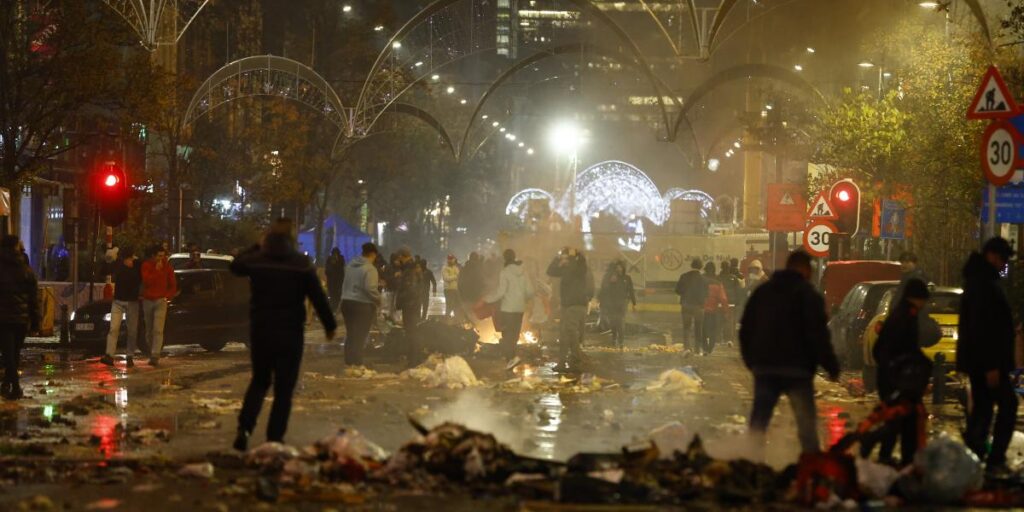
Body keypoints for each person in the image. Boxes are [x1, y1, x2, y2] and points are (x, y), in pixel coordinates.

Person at [230, 220, 336, 451]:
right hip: (290, 332)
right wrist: (329, 325)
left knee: (259, 381)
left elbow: (235, 265)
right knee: (284, 388)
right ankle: (274, 438)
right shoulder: (300, 264)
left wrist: (255, 247)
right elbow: (317, 295)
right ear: (292, 238)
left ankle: (244, 429)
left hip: (261, 329)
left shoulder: (258, 260)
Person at [740, 251, 840, 459]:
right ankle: (810, 471)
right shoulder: (809, 296)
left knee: (759, 422)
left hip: (766, 368)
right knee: (806, 426)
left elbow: (746, 329)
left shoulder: (763, 292)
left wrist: (752, 361)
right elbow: (818, 334)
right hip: (798, 370)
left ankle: (750, 466)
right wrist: (831, 365)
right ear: (805, 269)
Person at [958, 237, 1019, 475]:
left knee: (983, 408)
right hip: (987, 363)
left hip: (983, 362)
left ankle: (975, 455)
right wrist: (992, 366)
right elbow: (983, 328)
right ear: (992, 256)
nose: (1004, 263)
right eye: (1003, 258)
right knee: (1007, 404)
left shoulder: (980, 280)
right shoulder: (983, 284)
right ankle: (992, 457)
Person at [866, 278, 934, 466]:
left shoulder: (899, 314)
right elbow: (906, 349)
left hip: (891, 376)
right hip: (896, 379)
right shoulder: (906, 317)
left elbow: (879, 349)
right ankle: (887, 450)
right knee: (901, 420)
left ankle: (890, 456)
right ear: (916, 298)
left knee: (897, 419)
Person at [0, 236, 39, 400]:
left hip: (3, 319)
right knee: (14, 353)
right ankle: (12, 384)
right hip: (21, 320)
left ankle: (11, 384)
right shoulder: (26, 269)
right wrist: (35, 321)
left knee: (8, 354)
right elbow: (33, 298)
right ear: (16, 247)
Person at [485, 249, 535, 370]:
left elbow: (501, 292)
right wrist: (523, 299)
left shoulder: (505, 272)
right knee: (515, 334)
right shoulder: (524, 272)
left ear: (505, 258)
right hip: (519, 309)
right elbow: (530, 291)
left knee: (507, 335)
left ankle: (511, 359)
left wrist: (488, 299)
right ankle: (512, 359)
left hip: (507, 309)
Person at [546, 247, 591, 372]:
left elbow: (578, 266)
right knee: (564, 334)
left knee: (570, 331)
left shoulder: (579, 267)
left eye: (567, 258)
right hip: (567, 305)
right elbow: (550, 271)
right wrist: (557, 258)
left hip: (576, 305)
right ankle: (563, 362)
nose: (565, 260)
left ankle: (576, 358)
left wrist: (573, 256)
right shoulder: (566, 268)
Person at [341, 243, 381, 366]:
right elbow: (370, 288)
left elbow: (345, 284)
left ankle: (349, 362)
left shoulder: (350, 266)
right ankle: (357, 363)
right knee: (360, 335)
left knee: (351, 333)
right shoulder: (370, 268)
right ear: (373, 254)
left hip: (346, 303)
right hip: (362, 305)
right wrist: (378, 299)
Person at [101, 248, 142, 368]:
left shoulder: (137, 266)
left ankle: (130, 355)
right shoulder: (118, 266)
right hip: (118, 301)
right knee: (114, 328)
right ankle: (109, 355)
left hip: (132, 302)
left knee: (132, 330)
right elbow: (104, 270)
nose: (129, 261)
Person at [141, 245, 177, 366]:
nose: (161, 258)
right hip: (148, 300)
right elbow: (146, 281)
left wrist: (167, 296)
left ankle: (155, 354)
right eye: (159, 256)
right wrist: (156, 271)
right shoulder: (147, 266)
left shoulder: (167, 267)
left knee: (158, 329)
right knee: (149, 330)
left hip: (161, 300)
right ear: (153, 256)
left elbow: (173, 284)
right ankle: (152, 351)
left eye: (163, 256)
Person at [394, 248, 424, 365]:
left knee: (411, 333)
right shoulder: (411, 268)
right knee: (412, 332)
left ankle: (414, 360)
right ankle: (414, 359)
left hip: (410, 305)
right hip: (412, 304)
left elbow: (411, 289)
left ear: (402, 256)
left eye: (399, 258)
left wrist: (400, 301)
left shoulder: (410, 269)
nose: (398, 260)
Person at [598, 260, 636, 350]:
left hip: (622, 303)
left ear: (623, 268)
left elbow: (631, 290)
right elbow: (604, 290)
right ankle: (614, 337)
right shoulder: (611, 278)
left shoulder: (627, 278)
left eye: (621, 267)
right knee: (613, 322)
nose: (619, 269)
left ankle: (621, 341)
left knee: (621, 322)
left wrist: (634, 303)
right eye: (617, 267)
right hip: (612, 304)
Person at [675, 259, 708, 352]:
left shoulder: (684, 276)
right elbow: (707, 294)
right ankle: (697, 349)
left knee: (686, 327)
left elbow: (677, 290)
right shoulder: (704, 279)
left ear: (691, 265)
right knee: (698, 327)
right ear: (701, 267)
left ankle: (687, 348)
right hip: (699, 306)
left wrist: (685, 293)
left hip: (686, 305)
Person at [702, 261, 729, 356]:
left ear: (705, 269)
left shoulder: (701, 280)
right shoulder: (717, 282)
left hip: (702, 309)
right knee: (713, 329)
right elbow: (723, 298)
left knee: (703, 329)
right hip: (713, 310)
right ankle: (710, 348)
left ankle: (704, 348)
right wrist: (726, 311)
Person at [719, 260, 744, 344]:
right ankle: (729, 339)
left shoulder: (718, 277)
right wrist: (738, 302)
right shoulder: (734, 278)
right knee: (730, 321)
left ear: (721, 267)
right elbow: (739, 291)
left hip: (720, 302)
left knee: (720, 320)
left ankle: (721, 338)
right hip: (731, 303)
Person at [325, 248, 346, 313]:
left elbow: (341, 268)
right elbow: (327, 271)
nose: (335, 255)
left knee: (337, 296)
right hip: (332, 281)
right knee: (332, 295)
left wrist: (337, 262)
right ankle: (333, 308)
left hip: (338, 281)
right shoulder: (329, 259)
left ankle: (335, 308)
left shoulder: (341, 259)